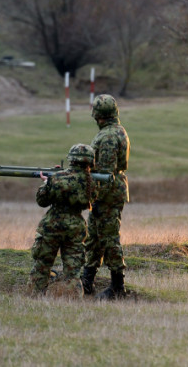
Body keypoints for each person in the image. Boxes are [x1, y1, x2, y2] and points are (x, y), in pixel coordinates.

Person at [28, 143, 95, 297]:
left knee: (42, 266)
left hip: (52, 226)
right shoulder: (91, 182)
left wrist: (47, 182)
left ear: (71, 159)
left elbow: (42, 201)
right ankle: (74, 300)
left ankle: (34, 298)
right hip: (75, 228)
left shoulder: (57, 178)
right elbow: (90, 201)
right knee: (73, 272)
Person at [80, 94, 130, 300]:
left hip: (107, 195)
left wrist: (95, 196)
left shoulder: (108, 136)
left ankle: (118, 287)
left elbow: (105, 174)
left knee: (109, 239)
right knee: (95, 238)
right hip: (107, 194)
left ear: (99, 116)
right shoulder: (116, 131)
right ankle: (87, 281)